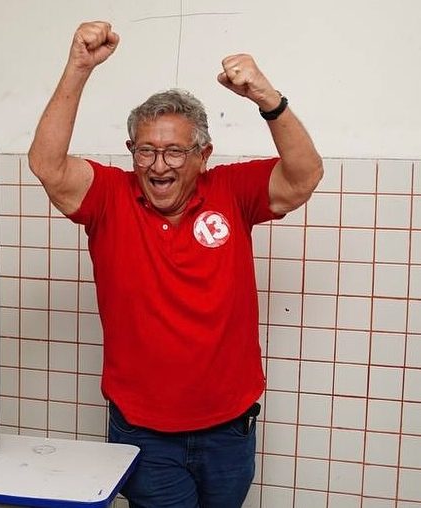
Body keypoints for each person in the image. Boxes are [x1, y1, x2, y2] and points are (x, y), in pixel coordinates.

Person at [27, 21, 322, 508]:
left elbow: (305, 174)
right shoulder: (109, 197)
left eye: (174, 152)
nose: (158, 165)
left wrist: (267, 98)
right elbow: (47, 165)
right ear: (132, 153)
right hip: (146, 435)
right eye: (146, 150)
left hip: (229, 430)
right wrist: (79, 67)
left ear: (203, 154)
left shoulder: (232, 191)